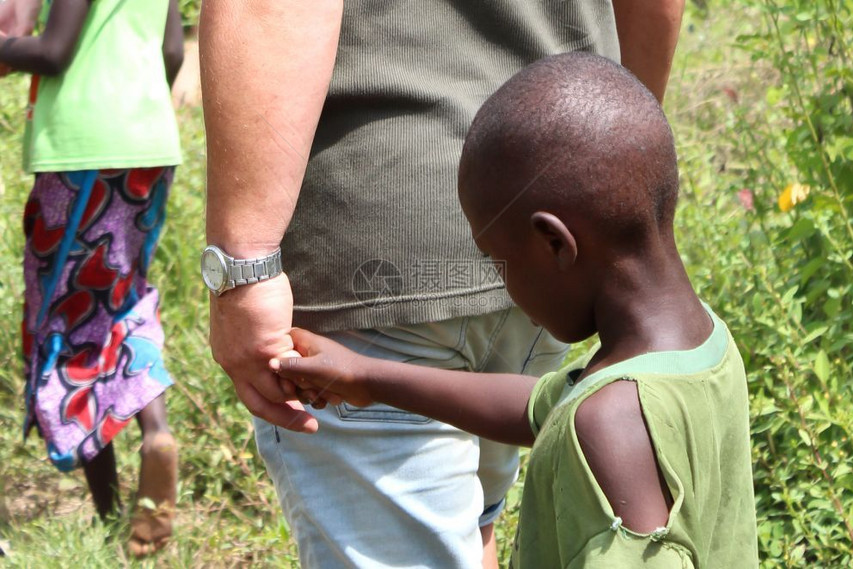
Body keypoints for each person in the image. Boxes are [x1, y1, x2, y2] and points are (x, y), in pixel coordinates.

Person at [199, 1, 683, 567]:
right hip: (549, 247)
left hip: (378, 244)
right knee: (473, 526)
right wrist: (610, 176)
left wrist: (242, 265)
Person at [274, 52, 759, 568]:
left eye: (496, 261)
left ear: (554, 243)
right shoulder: (700, 345)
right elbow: (543, 406)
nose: (501, 282)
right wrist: (367, 377)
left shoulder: (610, 425)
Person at [0, 0, 184, 556]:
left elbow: (54, 53)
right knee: (123, 300)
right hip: (149, 144)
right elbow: (172, 51)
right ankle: (157, 432)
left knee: (67, 320)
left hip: (81, 154)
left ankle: (107, 515)